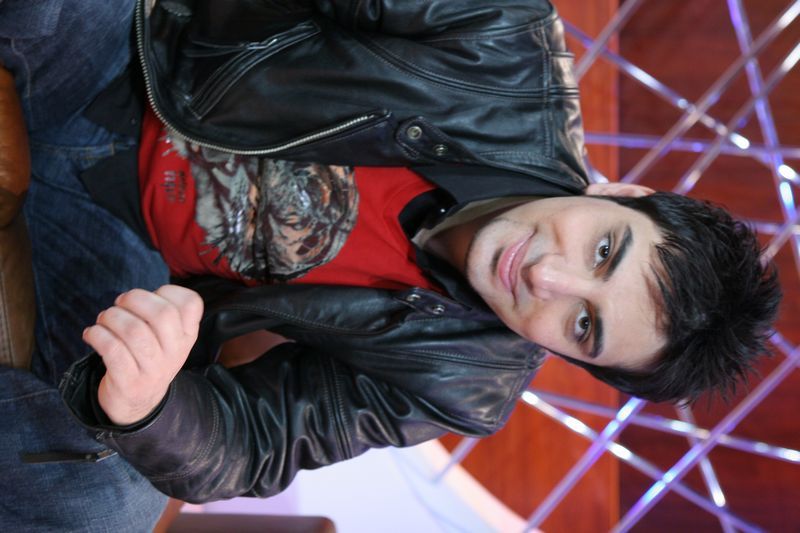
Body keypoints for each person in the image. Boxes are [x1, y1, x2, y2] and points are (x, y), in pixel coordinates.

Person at [2, 0, 779, 523]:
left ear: (574, 359)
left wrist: (147, 404)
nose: (547, 276)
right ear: (623, 193)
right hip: (130, 61)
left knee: (105, 506)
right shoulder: (504, 41)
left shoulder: (461, 384)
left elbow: (258, 444)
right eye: (603, 250)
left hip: (118, 254)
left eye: (583, 324)